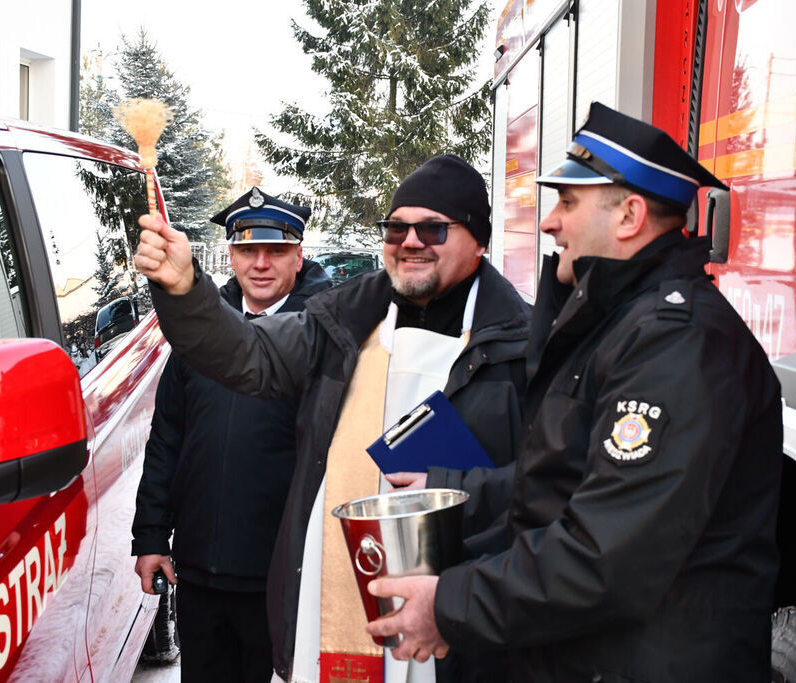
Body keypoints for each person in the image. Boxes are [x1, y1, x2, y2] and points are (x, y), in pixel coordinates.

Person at [365, 102, 784, 682]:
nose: (548, 222)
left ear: (630, 216)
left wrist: (448, 606)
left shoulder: (677, 346)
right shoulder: (618, 323)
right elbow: (575, 473)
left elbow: (608, 556)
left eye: (567, 202)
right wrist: (451, 489)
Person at [134, 155, 532, 683]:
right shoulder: (347, 319)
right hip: (332, 591)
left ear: (478, 240)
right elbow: (248, 355)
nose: (410, 241)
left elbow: (553, 493)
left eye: (433, 228)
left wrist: (456, 489)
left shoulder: (524, 348)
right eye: (396, 227)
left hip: (457, 617)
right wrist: (185, 290)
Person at [131, 188, 331, 683]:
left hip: (284, 578)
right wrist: (152, 535)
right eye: (247, 251)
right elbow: (168, 438)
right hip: (200, 570)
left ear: (299, 254)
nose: (260, 264)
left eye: (277, 251)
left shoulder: (325, 338)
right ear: (231, 255)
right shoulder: (199, 331)